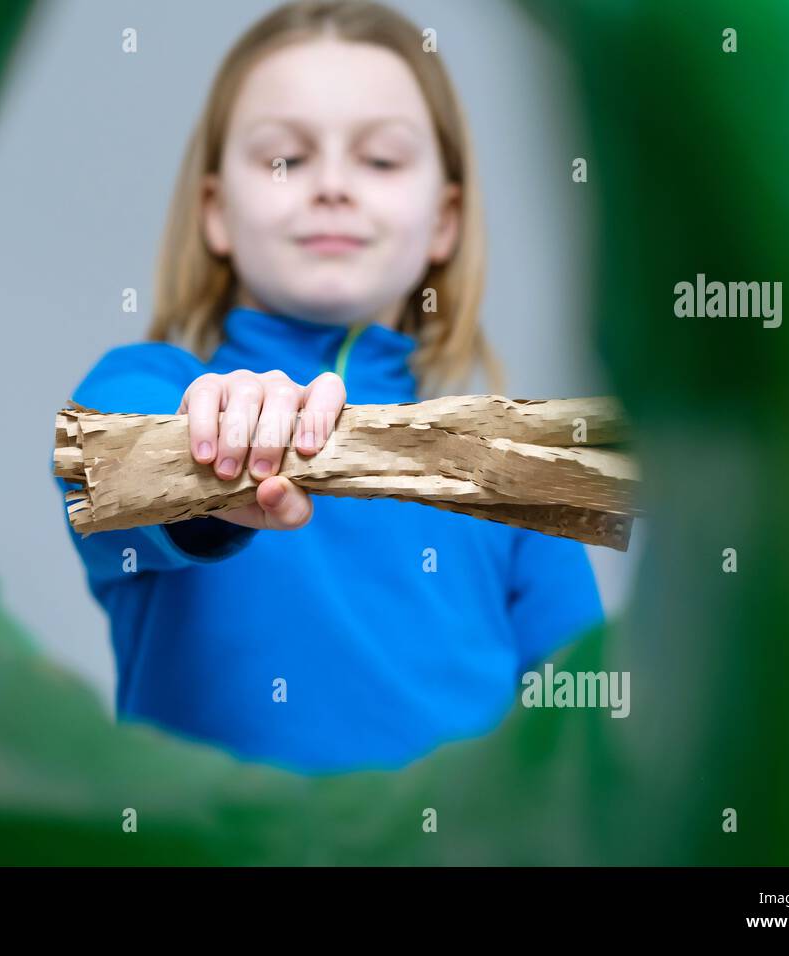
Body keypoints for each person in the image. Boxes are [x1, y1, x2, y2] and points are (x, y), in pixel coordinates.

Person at [58, 0, 602, 773]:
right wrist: (208, 454)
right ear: (216, 211)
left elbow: (584, 745)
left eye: (381, 160)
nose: (334, 185)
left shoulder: (519, 476)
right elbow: (105, 461)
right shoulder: (146, 386)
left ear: (444, 221)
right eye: (286, 158)